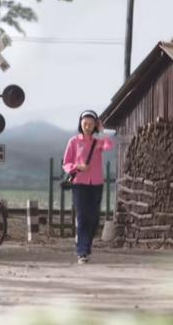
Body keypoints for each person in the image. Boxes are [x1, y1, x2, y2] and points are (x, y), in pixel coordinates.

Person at [63, 110, 114, 265]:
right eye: (85, 123)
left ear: (95, 126)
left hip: (97, 182)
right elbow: (66, 163)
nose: (88, 126)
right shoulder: (73, 141)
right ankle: (82, 251)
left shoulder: (98, 142)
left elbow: (109, 146)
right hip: (79, 183)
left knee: (93, 218)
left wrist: (102, 131)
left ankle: (86, 245)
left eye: (91, 124)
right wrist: (77, 166)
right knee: (82, 216)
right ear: (80, 123)